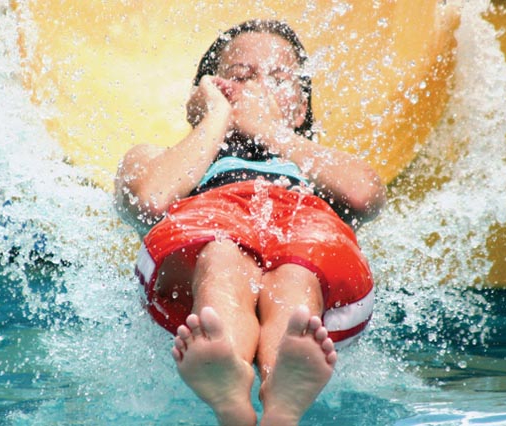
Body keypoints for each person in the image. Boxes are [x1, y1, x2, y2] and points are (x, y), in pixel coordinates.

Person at [114, 19, 386, 425]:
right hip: (205, 235)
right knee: (222, 256)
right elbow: (150, 201)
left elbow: (364, 195)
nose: (258, 89)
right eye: (240, 77)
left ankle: (281, 394)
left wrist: (269, 129)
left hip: (303, 226)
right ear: (205, 94)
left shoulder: (318, 166)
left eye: (278, 79)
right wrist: (214, 118)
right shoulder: (157, 155)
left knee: (296, 273)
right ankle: (229, 376)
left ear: (301, 108)